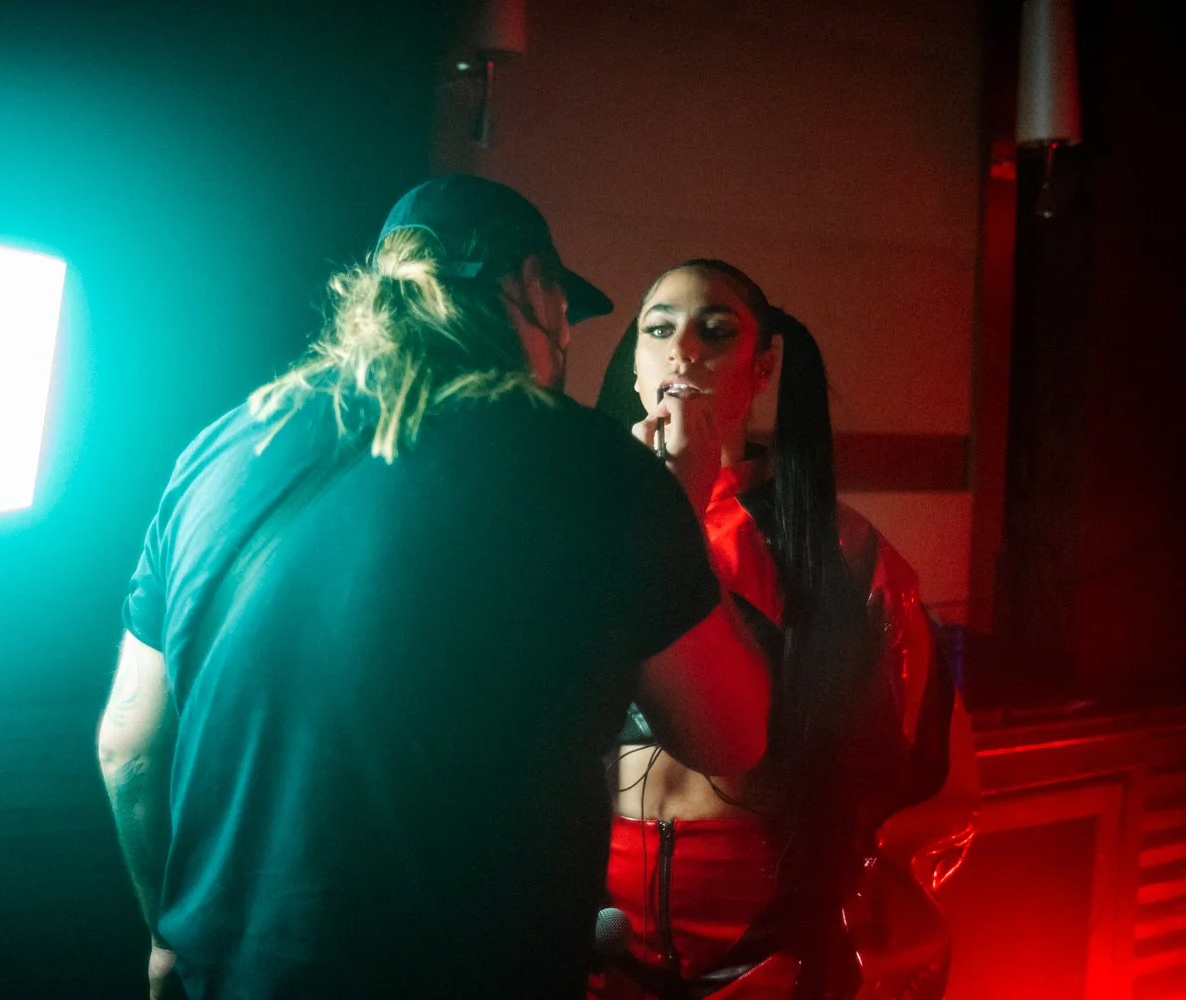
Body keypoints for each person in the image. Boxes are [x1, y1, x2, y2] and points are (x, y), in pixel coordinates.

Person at [96, 178, 771, 1000]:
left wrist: (169, 937)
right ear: (530, 288)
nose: (564, 346)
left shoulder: (220, 449)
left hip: (230, 978)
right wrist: (684, 516)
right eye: (563, 314)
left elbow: (127, 749)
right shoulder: (599, 471)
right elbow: (732, 736)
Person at [589, 260, 980, 999]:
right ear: (635, 364)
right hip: (597, 949)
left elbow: (922, 782)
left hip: (769, 960)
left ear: (763, 365)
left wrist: (858, 955)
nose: (684, 350)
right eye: (659, 328)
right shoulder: (578, 533)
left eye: (716, 330)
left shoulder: (844, 552)